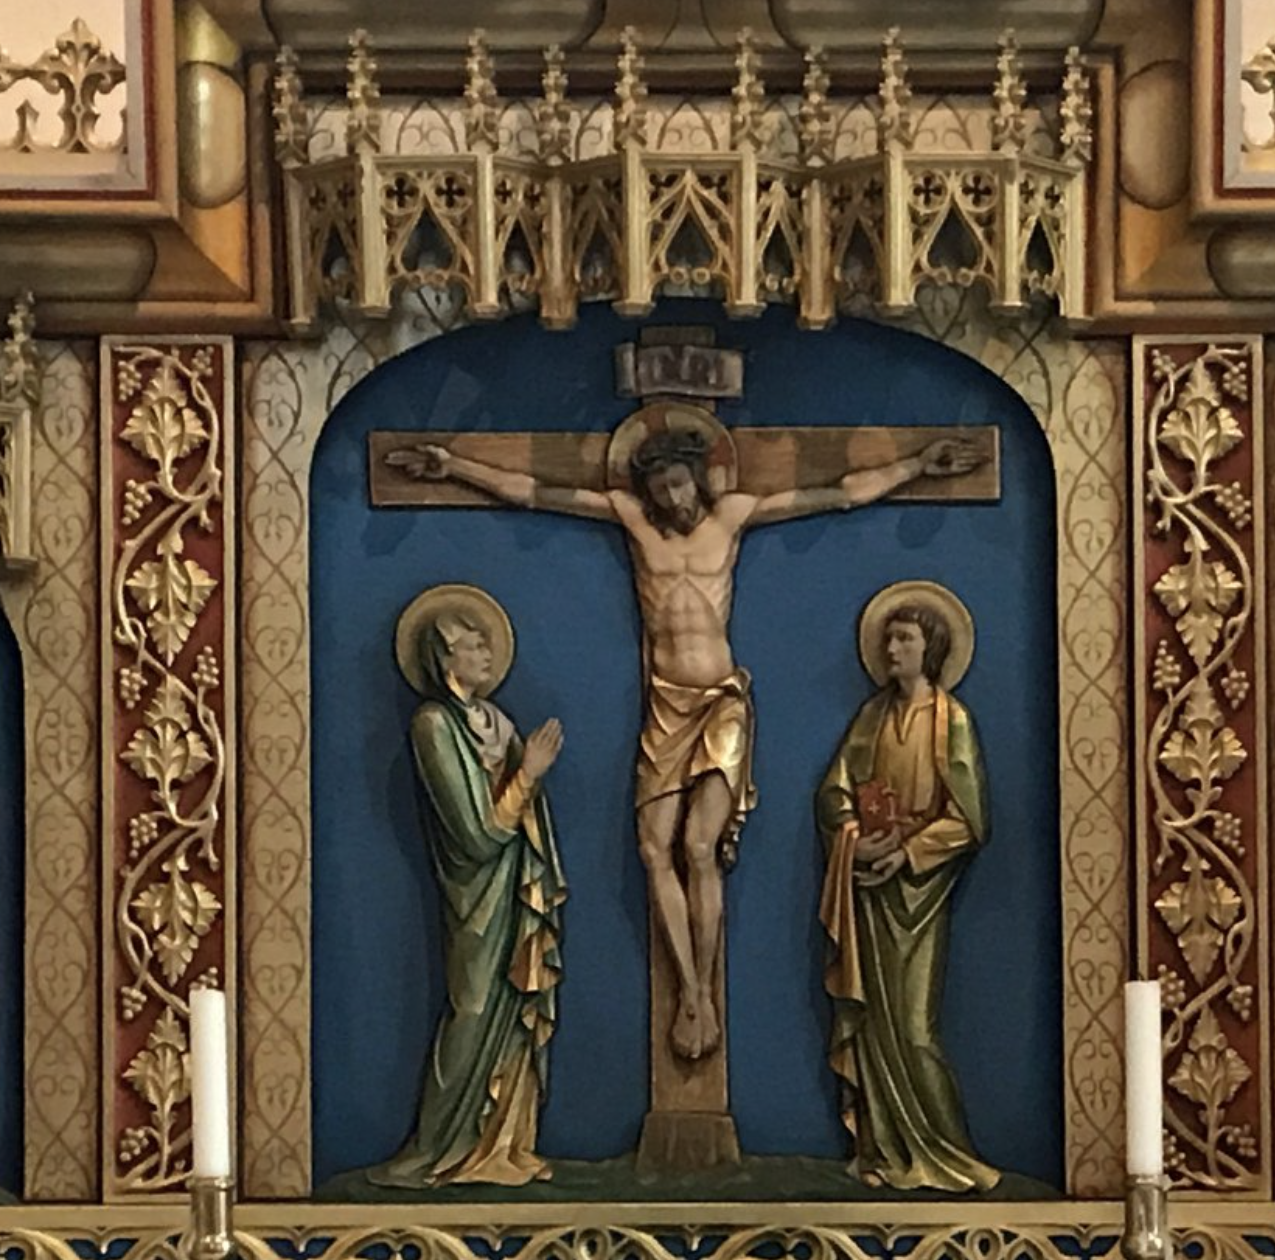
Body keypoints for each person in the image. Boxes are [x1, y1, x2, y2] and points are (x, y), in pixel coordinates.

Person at [387, 412, 983, 1061]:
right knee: (651, 849)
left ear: (700, 478)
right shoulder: (633, 519)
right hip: (666, 705)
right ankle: (692, 989)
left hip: (721, 701)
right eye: (661, 488)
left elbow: (839, 491)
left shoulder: (732, 517)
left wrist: (918, 465)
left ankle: (705, 993)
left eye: (679, 484)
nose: (671, 499)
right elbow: (534, 490)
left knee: (699, 848)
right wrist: (455, 466)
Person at [372, 592, 569, 1187]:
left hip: (515, 890)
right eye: (471, 644)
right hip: (476, 892)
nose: (485, 653)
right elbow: (476, 834)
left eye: (487, 642)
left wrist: (524, 774)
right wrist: (527, 775)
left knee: (513, 1010)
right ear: (441, 657)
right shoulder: (432, 725)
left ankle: (503, 1143)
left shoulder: (498, 723)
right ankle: (438, 1148)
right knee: (475, 1006)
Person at [814, 590, 998, 1192]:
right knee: (872, 1026)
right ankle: (886, 1151)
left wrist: (907, 852)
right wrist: (851, 838)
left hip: (918, 893)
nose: (893, 649)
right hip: (869, 885)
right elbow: (835, 789)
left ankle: (947, 1153)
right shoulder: (871, 717)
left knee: (915, 1030)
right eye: (889, 639)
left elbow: (969, 818)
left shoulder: (953, 722)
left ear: (933, 649)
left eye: (906, 640)